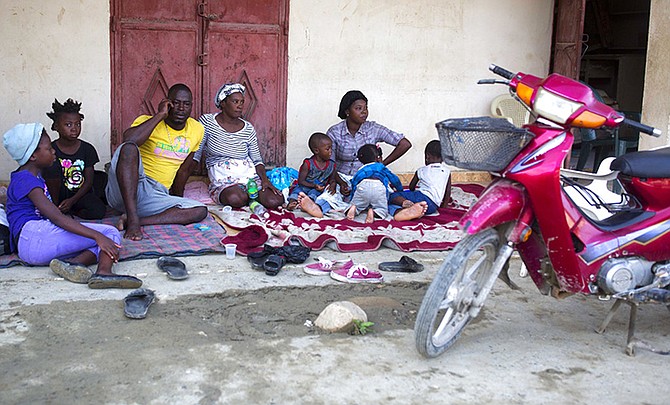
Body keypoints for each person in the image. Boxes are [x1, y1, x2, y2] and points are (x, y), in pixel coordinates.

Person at [3, 123, 141, 289]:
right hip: (34, 236)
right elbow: (56, 217)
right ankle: (104, 272)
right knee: (109, 234)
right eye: (49, 149)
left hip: (30, 246)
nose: (54, 151)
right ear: (32, 156)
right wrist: (97, 236)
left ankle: (72, 264)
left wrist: (93, 236)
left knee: (99, 241)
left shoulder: (26, 176)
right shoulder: (27, 180)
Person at [106, 83, 209, 241]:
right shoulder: (146, 121)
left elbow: (183, 170)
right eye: (176, 103)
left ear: (191, 106)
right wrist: (160, 116)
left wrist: (177, 201)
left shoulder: (197, 129)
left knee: (199, 210)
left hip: (155, 195)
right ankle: (134, 221)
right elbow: (129, 140)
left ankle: (134, 220)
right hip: (125, 187)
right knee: (128, 149)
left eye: (186, 104)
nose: (181, 108)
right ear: (167, 103)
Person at [194, 82, 284, 209]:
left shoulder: (248, 128)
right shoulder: (207, 122)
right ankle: (249, 198)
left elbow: (257, 160)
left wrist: (265, 180)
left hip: (248, 176)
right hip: (223, 178)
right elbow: (196, 153)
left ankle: (251, 196)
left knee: (275, 200)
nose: (240, 106)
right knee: (235, 198)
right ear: (223, 103)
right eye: (235, 101)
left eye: (241, 102)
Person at [43, 98, 107, 220]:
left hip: (79, 196)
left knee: (98, 211)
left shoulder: (87, 149)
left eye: (77, 124)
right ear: (56, 126)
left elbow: (88, 181)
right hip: (56, 196)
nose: (74, 128)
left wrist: (72, 201)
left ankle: (73, 211)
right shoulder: (50, 150)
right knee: (52, 165)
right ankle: (56, 209)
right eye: (68, 124)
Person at [326, 90, 412, 177]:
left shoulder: (373, 128)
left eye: (365, 108)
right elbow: (329, 163)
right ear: (347, 111)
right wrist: (338, 183)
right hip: (341, 179)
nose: (364, 112)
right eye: (358, 108)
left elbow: (405, 144)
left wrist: (381, 166)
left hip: (367, 179)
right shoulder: (334, 132)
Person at [345, 144, 421, 223]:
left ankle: (354, 209)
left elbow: (355, 182)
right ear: (378, 158)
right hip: (379, 188)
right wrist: (399, 190)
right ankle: (373, 212)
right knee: (382, 209)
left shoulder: (361, 169)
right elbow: (394, 179)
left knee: (358, 204)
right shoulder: (381, 167)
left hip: (363, 187)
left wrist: (353, 195)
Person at [287, 132, 348, 218]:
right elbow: (301, 181)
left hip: (318, 189)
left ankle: (309, 205)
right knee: (297, 192)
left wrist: (334, 183)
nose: (331, 152)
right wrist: (314, 185)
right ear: (316, 151)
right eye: (328, 149)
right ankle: (292, 203)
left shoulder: (331, 164)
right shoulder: (308, 163)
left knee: (315, 194)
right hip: (305, 186)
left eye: (331, 149)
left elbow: (333, 177)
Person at [389, 140, 451, 219]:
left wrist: (410, 194)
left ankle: (406, 205)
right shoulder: (447, 172)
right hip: (432, 206)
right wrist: (444, 206)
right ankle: (415, 209)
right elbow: (447, 192)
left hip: (421, 197)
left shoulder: (421, 170)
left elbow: (411, 187)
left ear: (427, 156)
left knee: (392, 196)